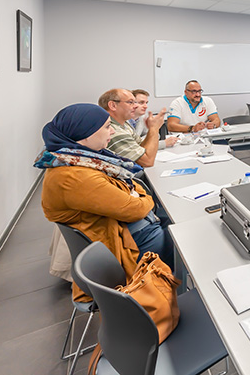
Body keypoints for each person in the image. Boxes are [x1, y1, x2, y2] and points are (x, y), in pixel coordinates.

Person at [38, 103, 174, 301]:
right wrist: (144, 198)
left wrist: (137, 194)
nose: (111, 132)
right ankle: (174, 294)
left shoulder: (77, 159)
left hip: (120, 231)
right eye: (106, 127)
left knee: (173, 220)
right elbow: (135, 207)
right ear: (84, 133)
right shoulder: (74, 176)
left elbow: (132, 187)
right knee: (183, 238)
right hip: (123, 246)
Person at [99, 88, 168, 168]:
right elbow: (147, 162)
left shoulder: (124, 124)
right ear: (113, 105)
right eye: (130, 102)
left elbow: (140, 148)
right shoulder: (113, 131)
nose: (136, 106)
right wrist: (154, 128)